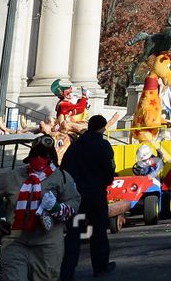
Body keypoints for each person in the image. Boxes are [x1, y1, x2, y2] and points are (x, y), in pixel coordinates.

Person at [0, 134, 81, 280]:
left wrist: (56, 208)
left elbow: (73, 204)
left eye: (44, 155)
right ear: (30, 156)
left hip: (47, 244)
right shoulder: (12, 177)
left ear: (51, 157)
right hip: (15, 242)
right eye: (36, 154)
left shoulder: (62, 178)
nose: (39, 158)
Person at [60, 114, 116, 279]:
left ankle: (68, 270)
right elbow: (109, 170)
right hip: (95, 196)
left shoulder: (75, 146)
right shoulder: (103, 145)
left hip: (77, 198)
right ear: (103, 127)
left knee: (74, 233)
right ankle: (100, 266)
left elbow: (64, 168)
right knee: (98, 230)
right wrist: (105, 182)